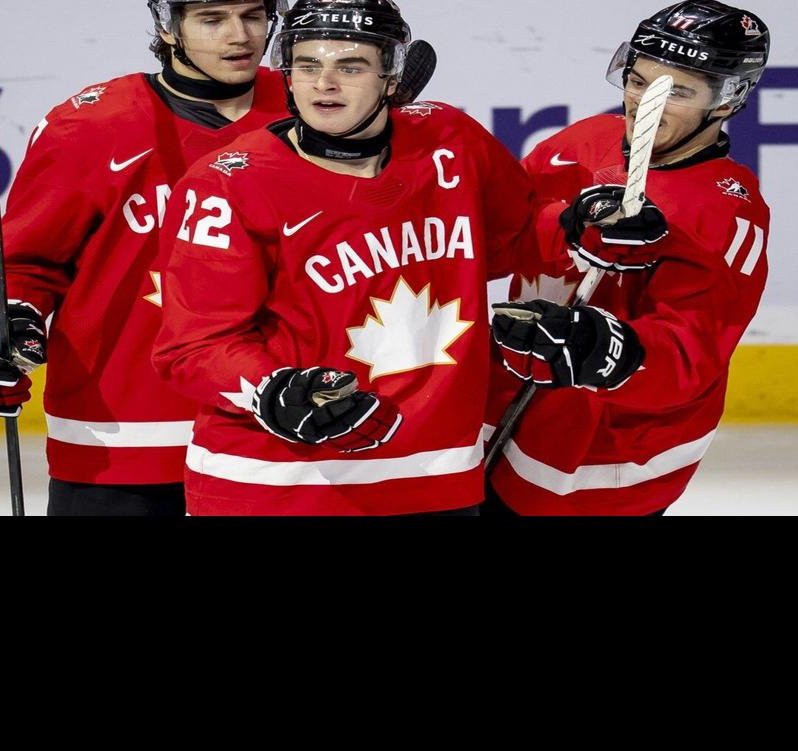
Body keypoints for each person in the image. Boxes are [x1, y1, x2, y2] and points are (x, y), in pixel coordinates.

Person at [151, 0, 558, 516]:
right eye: (307, 65)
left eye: (350, 66)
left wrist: (578, 226)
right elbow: (193, 345)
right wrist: (273, 389)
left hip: (436, 476)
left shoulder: (452, 141)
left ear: (391, 77)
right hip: (277, 483)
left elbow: (514, 244)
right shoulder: (227, 184)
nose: (325, 83)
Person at [0, 1, 291, 516]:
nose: (239, 35)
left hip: (277, 432)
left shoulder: (312, 107)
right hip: (121, 440)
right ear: (169, 27)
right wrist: (3, 316)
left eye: (252, 15)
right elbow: (24, 262)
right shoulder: (92, 124)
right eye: (211, 19)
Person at [485, 0, 773, 516]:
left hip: (606, 455)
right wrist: (568, 222)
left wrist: (611, 349)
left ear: (729, 99)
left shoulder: (726, 213)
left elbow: (692, 353)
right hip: (510, 408)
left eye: (677, 91)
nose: (646, 104)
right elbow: (494, 235)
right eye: (638, 81)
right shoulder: (584, 140)